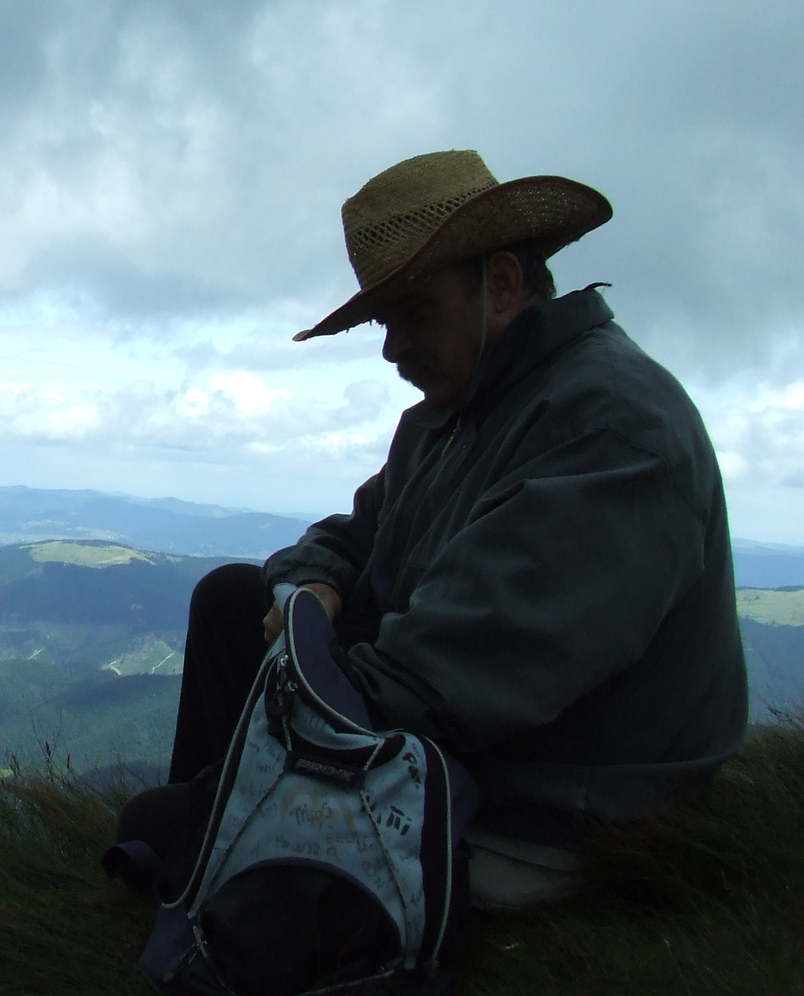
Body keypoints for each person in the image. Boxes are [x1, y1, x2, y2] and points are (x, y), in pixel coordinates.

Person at [119, 149, 748, 908]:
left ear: (505, 285)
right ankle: (220, 866)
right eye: (386, 319)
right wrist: (310, 585)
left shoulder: (612, 424)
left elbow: (447, 681)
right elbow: (348, 538)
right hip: (468, 750)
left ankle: (221, 859)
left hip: (555, 810)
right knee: (230, 602)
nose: (391, 348)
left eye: (414, 311)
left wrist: (282, 733)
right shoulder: (452, 420)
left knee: (156, 824)